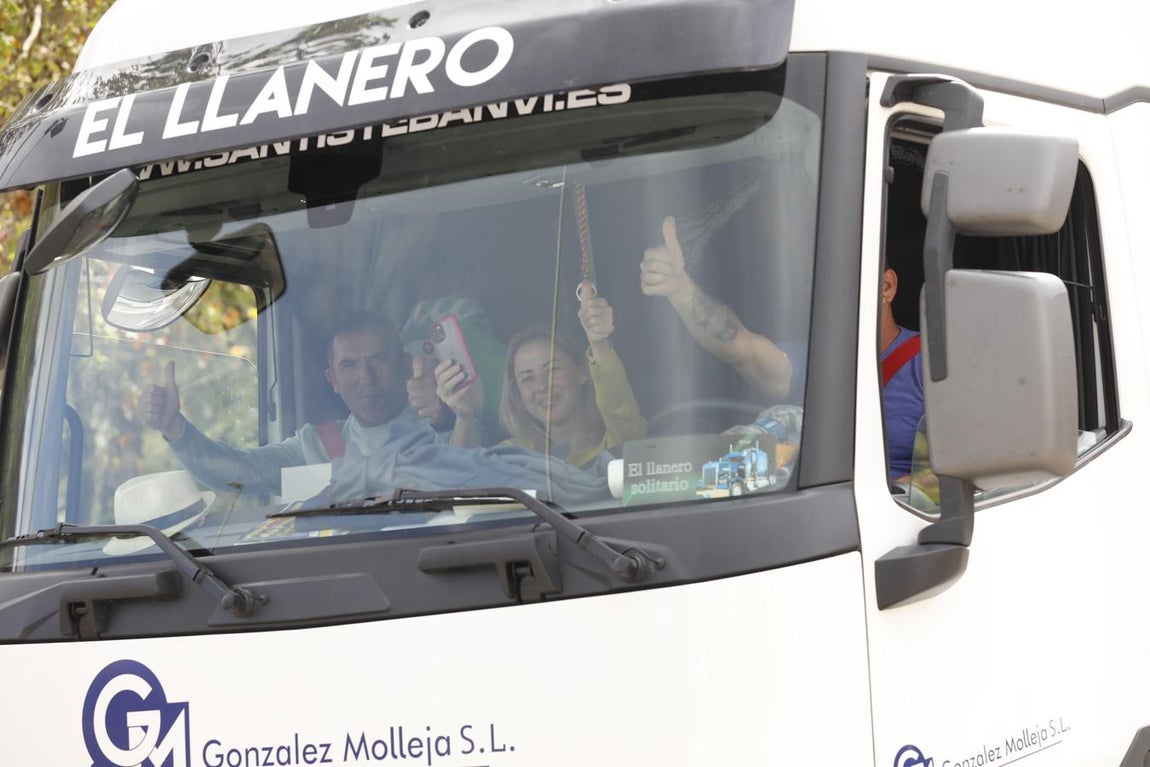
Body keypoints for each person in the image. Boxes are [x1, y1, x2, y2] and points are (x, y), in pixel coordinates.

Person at [135, 312, 465, 496]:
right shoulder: (318, 445)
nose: (365, 377)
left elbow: (472, 483)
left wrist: (445, 421)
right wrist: (175, 429)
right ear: (332, 381)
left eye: (378, 360)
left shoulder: (446, 420)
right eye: (349, 365)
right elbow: (237, 472)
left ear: (405, 366)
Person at [640, 215, 794, 402]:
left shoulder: (826, 359)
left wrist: (681, 288)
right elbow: (745, 351)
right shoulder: (813, 357)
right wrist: (680, 288)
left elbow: (746, 353)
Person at [499, 295, 647, 470]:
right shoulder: (510, 457)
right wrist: (465, 419)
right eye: (527, 378)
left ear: (583, 371)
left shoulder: (618, 442)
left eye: (552, 370)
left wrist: (599, 344)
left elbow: (619, 410)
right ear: (518, 393)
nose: (541, 386)